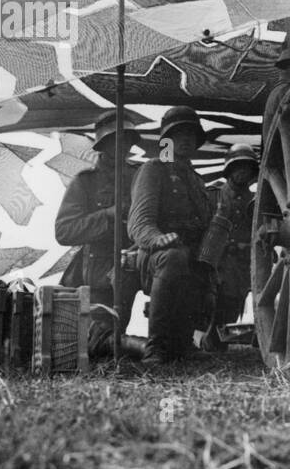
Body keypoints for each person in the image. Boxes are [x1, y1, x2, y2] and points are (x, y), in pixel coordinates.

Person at [128, 106, 214, 365]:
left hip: (188, 253)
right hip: (153, 255)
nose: (186, 139)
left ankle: (184, 342)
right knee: (175, 257)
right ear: (167, 139)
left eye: (191, 134)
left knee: (203, 264)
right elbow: (139, 222)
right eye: (179, 133)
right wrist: (157, 239)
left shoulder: (198, 181)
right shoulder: (154, 169)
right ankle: (157, 345)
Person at [55, 111, 144, 360]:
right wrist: (107, 215)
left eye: (126, 139)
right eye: (115, 140)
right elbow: (64, 231)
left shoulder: (142, 175)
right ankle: (133, 345)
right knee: (101, 341)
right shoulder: (86, 182)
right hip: (99, 273)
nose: (122, 145)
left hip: (137, 261)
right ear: (102, 145)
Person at [201, 143, 258, 350]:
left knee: (232, 304)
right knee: (207, 303)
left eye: (247, 168)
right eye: (238, 167)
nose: (242, 172)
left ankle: (217, 342)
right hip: (214, 261)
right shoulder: (212, 195)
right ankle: (205, 340)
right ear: (229, 170)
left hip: (240, 265)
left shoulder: (256, 202)